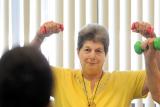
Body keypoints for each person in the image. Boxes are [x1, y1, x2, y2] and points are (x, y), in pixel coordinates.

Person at [31, 21, 160, 107]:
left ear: (105, 54)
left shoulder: (124, 81)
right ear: (78, 52)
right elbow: (29, 65)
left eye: (98, 50)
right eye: (87, 50)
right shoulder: (61, 78)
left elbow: (156, 75)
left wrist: (152, 42)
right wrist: (39, 37)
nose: (92, 55)